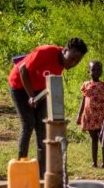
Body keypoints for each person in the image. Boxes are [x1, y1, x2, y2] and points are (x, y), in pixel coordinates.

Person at [8, 37, 88, 177]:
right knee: (28, 124)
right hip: (19, 85)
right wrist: (31, 96)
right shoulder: (45, 52)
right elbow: (22, 70)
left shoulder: (62, 64)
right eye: (72, 58)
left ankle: (42, 171)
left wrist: (39, 97)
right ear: (65, 51)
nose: (73, 63)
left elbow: (48, 84)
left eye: (77, 61)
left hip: (39, 90)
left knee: (42, 127)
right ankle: (20, 166)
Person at [76, 60, 104, 167]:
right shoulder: (86, 85)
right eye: (93, 69)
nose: (96, 72)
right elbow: (83, 101)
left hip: (101, 116)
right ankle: (94, 162)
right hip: (90, 115)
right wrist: (79, 115)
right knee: (94, 139)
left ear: (102, 71)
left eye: (98, 69)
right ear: (89, 72)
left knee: (103, 138)